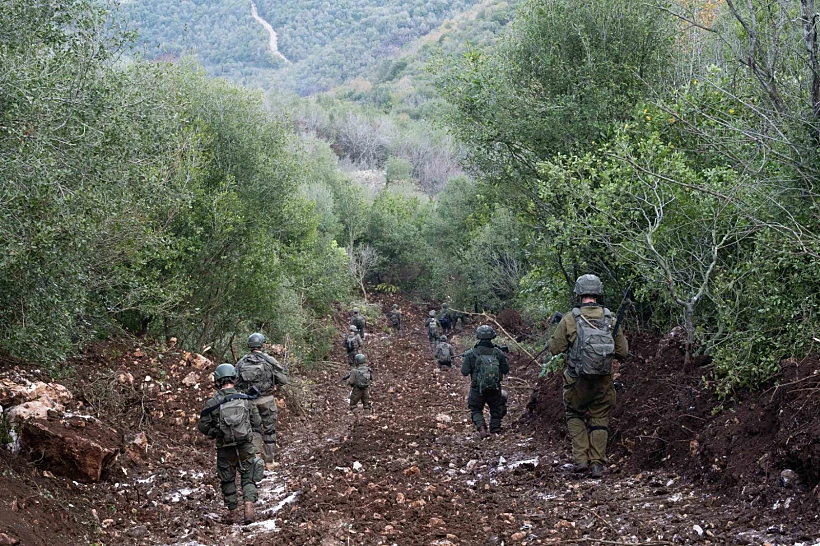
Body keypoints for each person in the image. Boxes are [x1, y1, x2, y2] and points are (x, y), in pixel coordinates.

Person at [548, 274, 628, 479]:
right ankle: (597, 465)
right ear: (598, 292)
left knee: (574, 415)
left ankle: (581, 460)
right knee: (600, 419)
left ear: (579, 292)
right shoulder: (609, 318)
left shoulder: (570, 318)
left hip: (577, 381)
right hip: (603, 381)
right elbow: (623, 352)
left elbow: (555, 348)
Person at [198, 363, 264, 525]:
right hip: (245, 446)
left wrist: (216, 431)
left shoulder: (212, 403)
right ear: (235, 378)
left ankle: (232, 513)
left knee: (227, 480)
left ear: (217, 380)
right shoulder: (245, 399)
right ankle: (249, 508)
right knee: (248, 477)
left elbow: (203, 427)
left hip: (224, 449)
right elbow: (257, 422)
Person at [235, 333, 288, 465]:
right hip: (267, 400)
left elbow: (235, 382)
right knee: (269, 430)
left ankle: (256, 461)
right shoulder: (269, 360)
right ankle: (269, 461)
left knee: (254, 430)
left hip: (249, 401)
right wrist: (275, 384)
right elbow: (283, 380)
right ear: (262, 345)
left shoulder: (242, 362)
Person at [461, 325, 509, 438]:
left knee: (475, 408)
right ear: (492, 336)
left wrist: (468, 359)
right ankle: (495, 429)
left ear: (478, 336)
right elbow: (506, 370)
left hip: (477, 389)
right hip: (495, 388)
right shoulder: (498, 352)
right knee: (496, 408)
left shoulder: (471, 353)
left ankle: (481, 427)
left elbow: (464, 372)